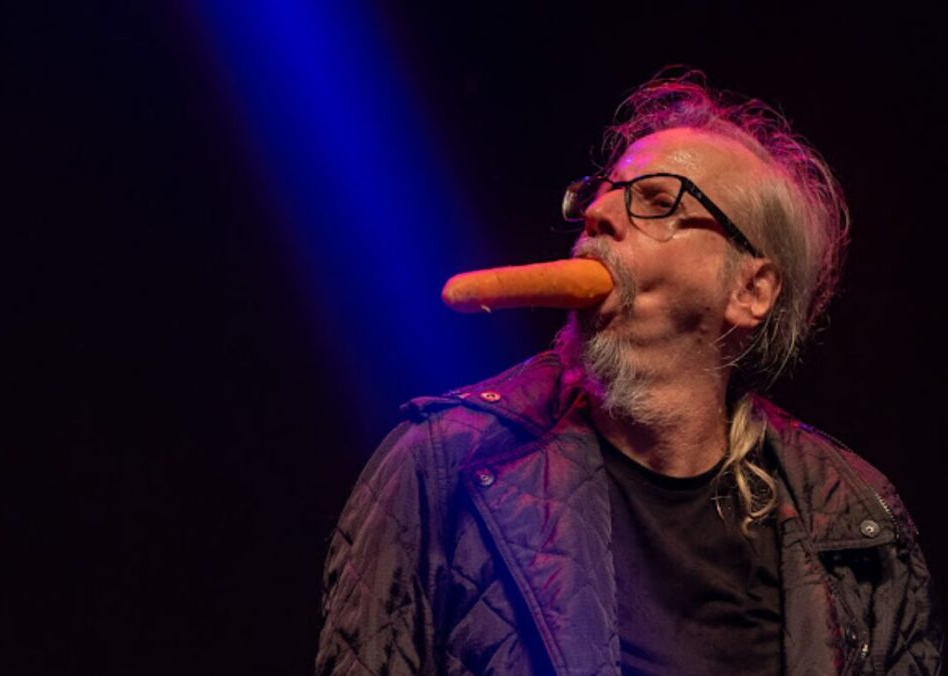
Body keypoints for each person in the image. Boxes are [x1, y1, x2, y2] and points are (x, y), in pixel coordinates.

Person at [315, 73, 943, 675]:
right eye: (603, 192)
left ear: (750, 290)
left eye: (657, 201)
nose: (598, 213)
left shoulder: (859, 521)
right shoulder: (440, 464)